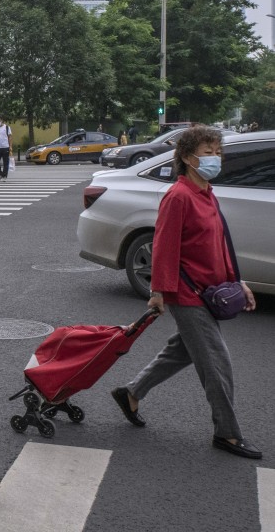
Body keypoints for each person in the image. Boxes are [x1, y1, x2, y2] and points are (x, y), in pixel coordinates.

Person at [111, 126, 260, 460]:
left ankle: (131, 393)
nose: (215, 158)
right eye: (208, 152)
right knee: (217, 362)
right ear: (188, 157)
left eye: (218, 152)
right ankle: (228, 434)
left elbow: (220, 244)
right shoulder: (178, 196)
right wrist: (159, 292)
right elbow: (164, 247)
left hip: (210, 291)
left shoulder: (206, 192)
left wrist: (238, 281)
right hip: (188, 293)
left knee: (183, 351)